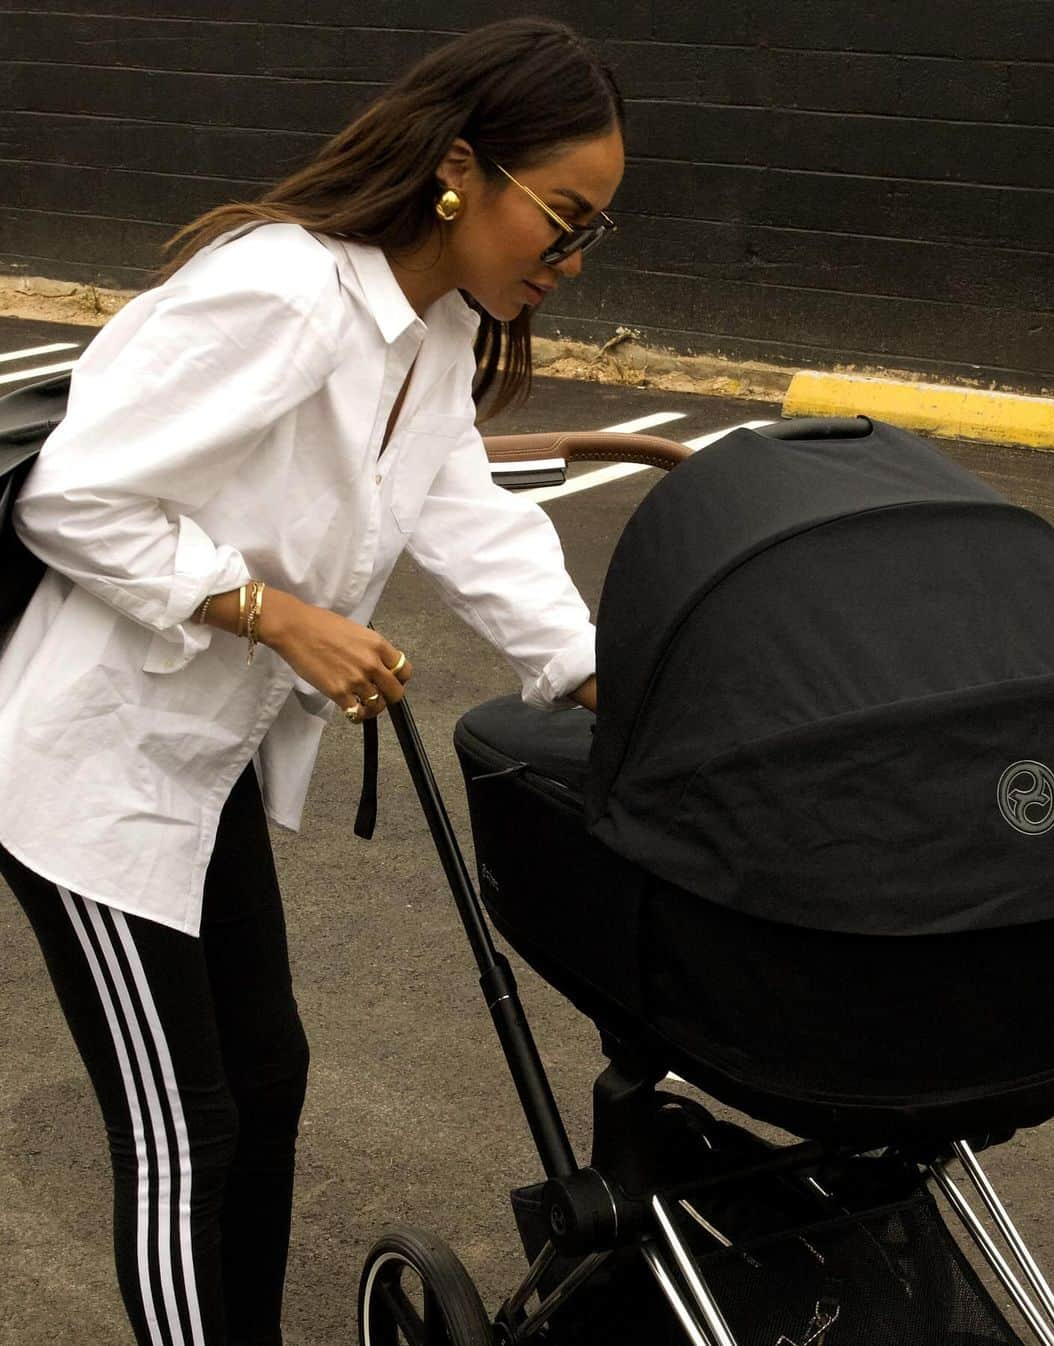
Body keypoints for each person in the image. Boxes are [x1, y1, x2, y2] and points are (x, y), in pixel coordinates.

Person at [0, 18, 623, 1345]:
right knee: (187, 1132)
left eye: (593, 233)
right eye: (561, 219)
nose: (570, 260)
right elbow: (72, 498)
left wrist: (597, 677)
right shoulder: (286, 293)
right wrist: (280, 616)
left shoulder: (432, 332)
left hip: (199, 767)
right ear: (463, 170)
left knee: (268, 1077)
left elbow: (472, 523)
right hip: (89, 775)